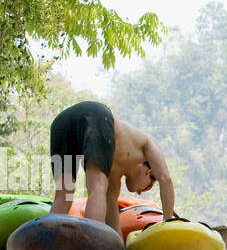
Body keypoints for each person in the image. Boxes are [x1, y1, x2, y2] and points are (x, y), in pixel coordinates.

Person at [48, 100, 177, 233]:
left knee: (64, 194)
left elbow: (113, 224)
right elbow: (165, 179)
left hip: (61, 123)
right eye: (147, 187)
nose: (139, 192)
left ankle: (45, 244)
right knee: (97, 187)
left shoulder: (114, 179)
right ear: (148, 171)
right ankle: (91, 244)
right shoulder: (147, 144)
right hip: (96, 115)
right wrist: (166, 226)